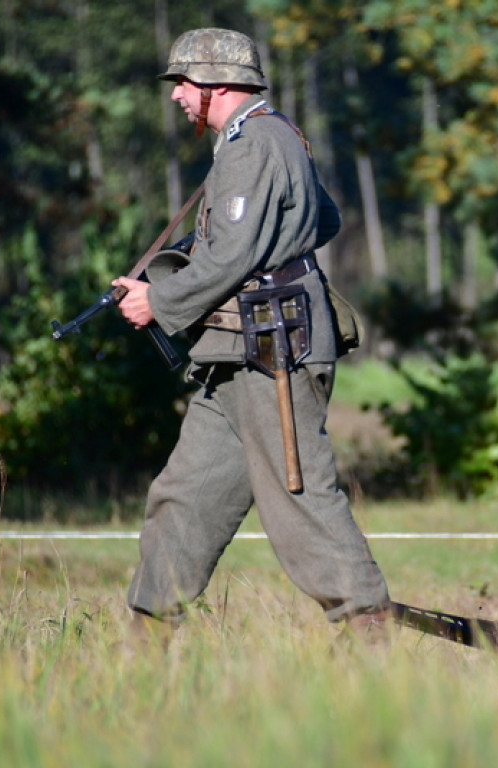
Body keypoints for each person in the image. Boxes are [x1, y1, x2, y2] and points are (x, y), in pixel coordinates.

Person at [112, 28, 391, 645]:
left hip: (274, 352)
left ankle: (368, 628)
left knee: (299, 498)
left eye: (183, 83)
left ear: (216, 83)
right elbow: (323, 218)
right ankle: (147, 637)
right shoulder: (275, 136)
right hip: (236, 355)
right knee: (185, 497)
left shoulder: (253, 144)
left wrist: (157, 300)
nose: (178, 96)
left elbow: (234, 254)